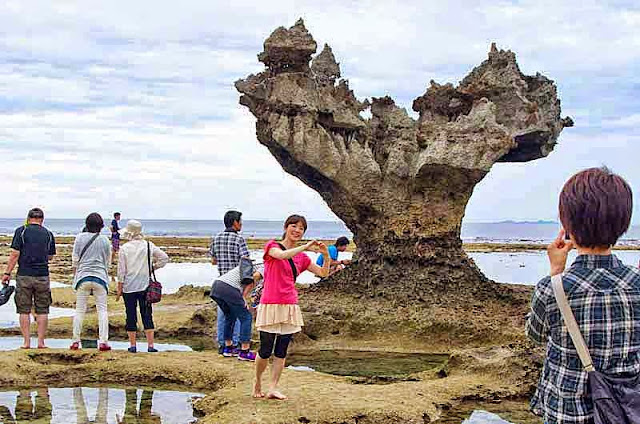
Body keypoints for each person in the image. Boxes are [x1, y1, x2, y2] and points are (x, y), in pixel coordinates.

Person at [525, 167, 640, 424]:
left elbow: (534, 335)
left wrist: (556, 270)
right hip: (626, 410)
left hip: (567, 412)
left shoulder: (552, 288)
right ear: (623, 224)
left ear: (567, 226)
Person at [253, 214, 330, 400]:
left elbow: (323, 273)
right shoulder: (272, 246)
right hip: (270, 302)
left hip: (290, 304)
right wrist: (305, 246)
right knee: (265, 348)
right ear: (286, 227)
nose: (297, 230)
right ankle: (257, 382)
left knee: (282, 349)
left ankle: (273, 387)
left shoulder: (302, 258)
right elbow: (281, 255)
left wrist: (325, 256)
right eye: (294, 226)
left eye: (301, 228)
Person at [1, 208, 56, 349]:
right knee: (43, 310)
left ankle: (26, 342)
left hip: (24, 275)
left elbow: (14, 254)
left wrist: (7, 273)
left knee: (23, 309)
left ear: (28, 218)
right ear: (42, 219)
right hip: (42, 275)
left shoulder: (21, 231)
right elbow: (50, 256)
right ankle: (41, 342)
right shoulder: (48, 234)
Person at [116, 220, 169, 353]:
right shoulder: (148, 245)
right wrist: (152, 268)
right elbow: (164, 258)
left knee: (130, 315)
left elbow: (121, 271)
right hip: (145, 285)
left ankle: (133, 346)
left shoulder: (125, 248)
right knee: (147, 314)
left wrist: (119, 288)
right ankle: (150, 346)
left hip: (129, 286)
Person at [70, 213, 112, 351]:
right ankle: (104, 342)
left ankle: (75, 340)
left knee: (80, 310)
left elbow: (75, 260)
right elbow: (108, 262)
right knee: (102, 310)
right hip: (100, 277)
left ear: (86, 224)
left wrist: (75, 275)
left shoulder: (79, 238)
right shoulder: (105, 240)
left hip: (83, 277)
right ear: (101, 226)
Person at [210, 210, 249, 354]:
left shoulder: (217, 238)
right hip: (235, 282)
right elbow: (245, 262)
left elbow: (213, 260)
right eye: (240, 221)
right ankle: (237, 344)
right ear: (235, 222)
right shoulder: (239, 240)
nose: (242, 224)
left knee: (223, 314)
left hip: (221, 281)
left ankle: (223, 344)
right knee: (239, 315)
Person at [210, 261, 264, 361]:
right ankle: (244, 352)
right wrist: (243, 296)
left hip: (216, 287)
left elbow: (256, 290)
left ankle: (228, 349)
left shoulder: (257, 264)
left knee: (230, 316)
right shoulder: (266, 266)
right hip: (229, 288)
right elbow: (254, 278)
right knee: (246, 317)